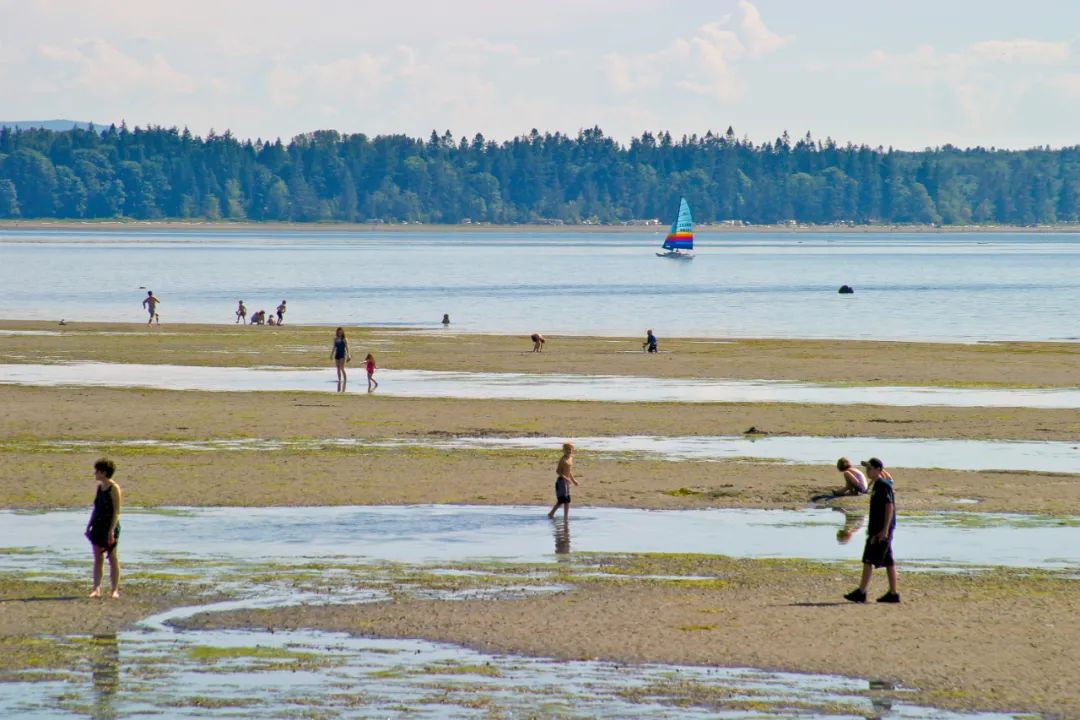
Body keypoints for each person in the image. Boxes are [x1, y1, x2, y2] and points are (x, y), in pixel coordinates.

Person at [844, 457, 900, 603]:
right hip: (877, 528)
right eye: (867, 468)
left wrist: (885, 530)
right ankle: (893, 594)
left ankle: (861, 592)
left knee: (868, 559)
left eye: (870, 468)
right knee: (888, 560)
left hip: (881, 529)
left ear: (878, 470)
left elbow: (889, 506)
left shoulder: (883, 485)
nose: (867, 471)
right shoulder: (877, 484)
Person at [85, 458, 122, 599]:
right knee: (98, 557)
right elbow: (96, 508)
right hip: (98, 525)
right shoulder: (100, 487)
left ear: (104, 473)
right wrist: (89, 525)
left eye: (97, 471)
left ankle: (114, 590)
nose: (95, 473)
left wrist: (111, 530)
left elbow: (117, 512)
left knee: (112, 558)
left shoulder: (114, 488)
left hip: (110, 526)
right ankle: (96, 588)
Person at [547, 442, 580, 520]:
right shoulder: (562, 459)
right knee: (562, 500)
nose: (569, 451)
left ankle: (566, 517)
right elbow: (558, 471)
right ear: (563, 451)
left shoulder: (570, 458)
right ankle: (551, 513)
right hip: (561, 481)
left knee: (567, 500)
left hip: (567, 482)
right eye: (567, 449)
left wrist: (573, 480)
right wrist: (565, 478)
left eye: (570, 449)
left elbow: (569, 471)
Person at [331, 327, 351, 392]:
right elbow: (334, 347)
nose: (340, 333)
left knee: (342, 368)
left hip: (343, 354)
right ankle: (339, 380)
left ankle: (345, 381)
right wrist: (331, 354)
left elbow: (347, 347)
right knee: (338, 368)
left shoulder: (344, 339)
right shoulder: (335, 338)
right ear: (337, 332)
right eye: (339, 332)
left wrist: (349, 355)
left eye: (341, 332)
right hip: (337, 354)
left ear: (342, 332)